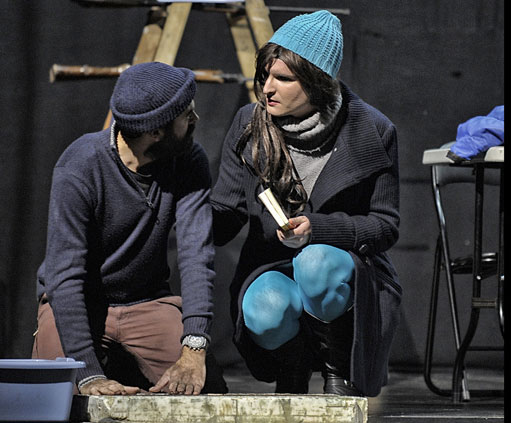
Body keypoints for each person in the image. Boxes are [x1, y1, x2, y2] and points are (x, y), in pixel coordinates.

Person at [211, 10, 401, 397]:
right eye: (265, 75)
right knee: (265, 308)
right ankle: (292, 369)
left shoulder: (371, 129)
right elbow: (227, 213)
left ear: (316, 81)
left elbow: (385, 225)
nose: (267, 88)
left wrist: (320, 229)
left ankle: (337, 370)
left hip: (340, 268)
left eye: (283, 78)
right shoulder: (250, 123)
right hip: (270, 260)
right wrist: (184, 209)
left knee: (315, 264)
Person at [32, 61, 226, 396]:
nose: (195, 119)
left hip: (147, 302)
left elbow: (197, 255)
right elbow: (64, 275)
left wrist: (195, 346)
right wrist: (88, 374)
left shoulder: (188, 160)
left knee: (204, 391)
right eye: (186, 115)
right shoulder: (80, 164)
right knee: (58, 395)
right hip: (81, 302)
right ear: (155, 132)